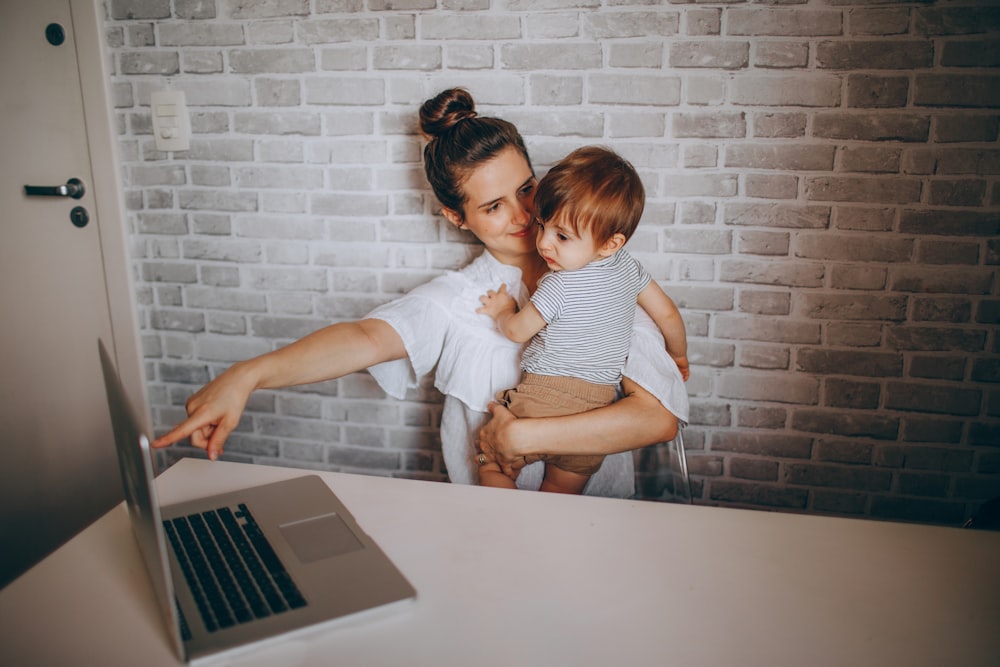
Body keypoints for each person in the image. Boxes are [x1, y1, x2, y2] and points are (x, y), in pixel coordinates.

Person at [152, 88, 689, 498]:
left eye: (526, 189)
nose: (525, 216)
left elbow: (657, 418)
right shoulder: (458, 300)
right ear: (458, 217)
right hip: (489, 540)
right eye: (493, 205)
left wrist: (521, 440)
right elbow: (364, 338)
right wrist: (248, 375)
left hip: (598, 533)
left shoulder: (604, 275)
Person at [476, 146, 689, 493]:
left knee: (491, 461)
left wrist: (503, 310)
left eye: (561, 236)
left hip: (539, 399)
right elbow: (667, 313)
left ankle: (501, 515)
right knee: (561, 497)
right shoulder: (629, 269)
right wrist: (678, 356)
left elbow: (516, 331)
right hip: (595, 411)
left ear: (610, 243)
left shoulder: (558, 286)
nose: (544, 243)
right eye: (542, 225)